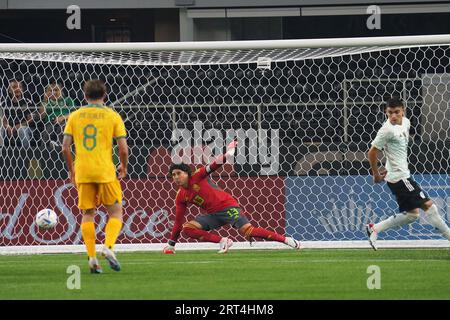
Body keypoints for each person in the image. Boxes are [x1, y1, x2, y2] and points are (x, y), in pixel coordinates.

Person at [163, 141, 301, 254]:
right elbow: (177, 222)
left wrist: (228, 153)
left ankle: (286, 240)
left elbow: (213, 165)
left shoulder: (197, 176)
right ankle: (223, 241)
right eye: (173, 175)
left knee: (248, 230)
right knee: (187, 228)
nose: (176, 177)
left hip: (228, 206)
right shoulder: (181, 196)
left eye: (178, 173)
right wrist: (171, 245)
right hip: (213, 215)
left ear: (187, 173)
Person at [62, 79, 128, 273]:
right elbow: (123, 148)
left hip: (83, 171)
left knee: (87, 214)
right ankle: (108, 247)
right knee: (115, 213)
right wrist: (123, 167)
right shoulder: (112, 116)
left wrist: (71, 169)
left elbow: (65, 147)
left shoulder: (74, 115)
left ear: (84, 95)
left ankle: (91, 258)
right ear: (104, 95)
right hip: (105, 171)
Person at [366, 97, 450, 250]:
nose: (393, 116)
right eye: (390, 113)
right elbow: (372, 153)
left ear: (403, 111)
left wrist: (389, 164)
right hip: (400, 178)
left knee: (412, 215)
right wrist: (376, 174)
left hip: (401, 175)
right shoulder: (386, 130)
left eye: (397, 112)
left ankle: (374, 228)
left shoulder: (406, 122)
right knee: (430, 207)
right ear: (386, 112)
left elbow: (393, 149)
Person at [1, 80, 37, 148]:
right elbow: (4, 120)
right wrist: (8, 126)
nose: (17, 88)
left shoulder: (26, 102)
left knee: (21, 130)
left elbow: (31, 119)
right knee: (2, 129)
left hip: (27, 128)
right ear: (9, 90)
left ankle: (26, 152)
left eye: (19, 87)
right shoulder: (5, 103)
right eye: (14, 87)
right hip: (10, 128)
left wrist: (18, 126)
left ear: (22, 90)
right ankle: (3, 153)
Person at [41, 81, 75, 147]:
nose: (53, 92)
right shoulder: (46, 102)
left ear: (61, 90)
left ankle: (60, 147)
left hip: (64, 121)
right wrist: (45, 100)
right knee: (47, 132)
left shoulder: (68, 100)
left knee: (62, 128)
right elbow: (42, 116)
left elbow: (74, 113)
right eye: (50, 91)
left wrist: (62, 118)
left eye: (56, 90)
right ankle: (44, 150)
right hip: (50, 123)